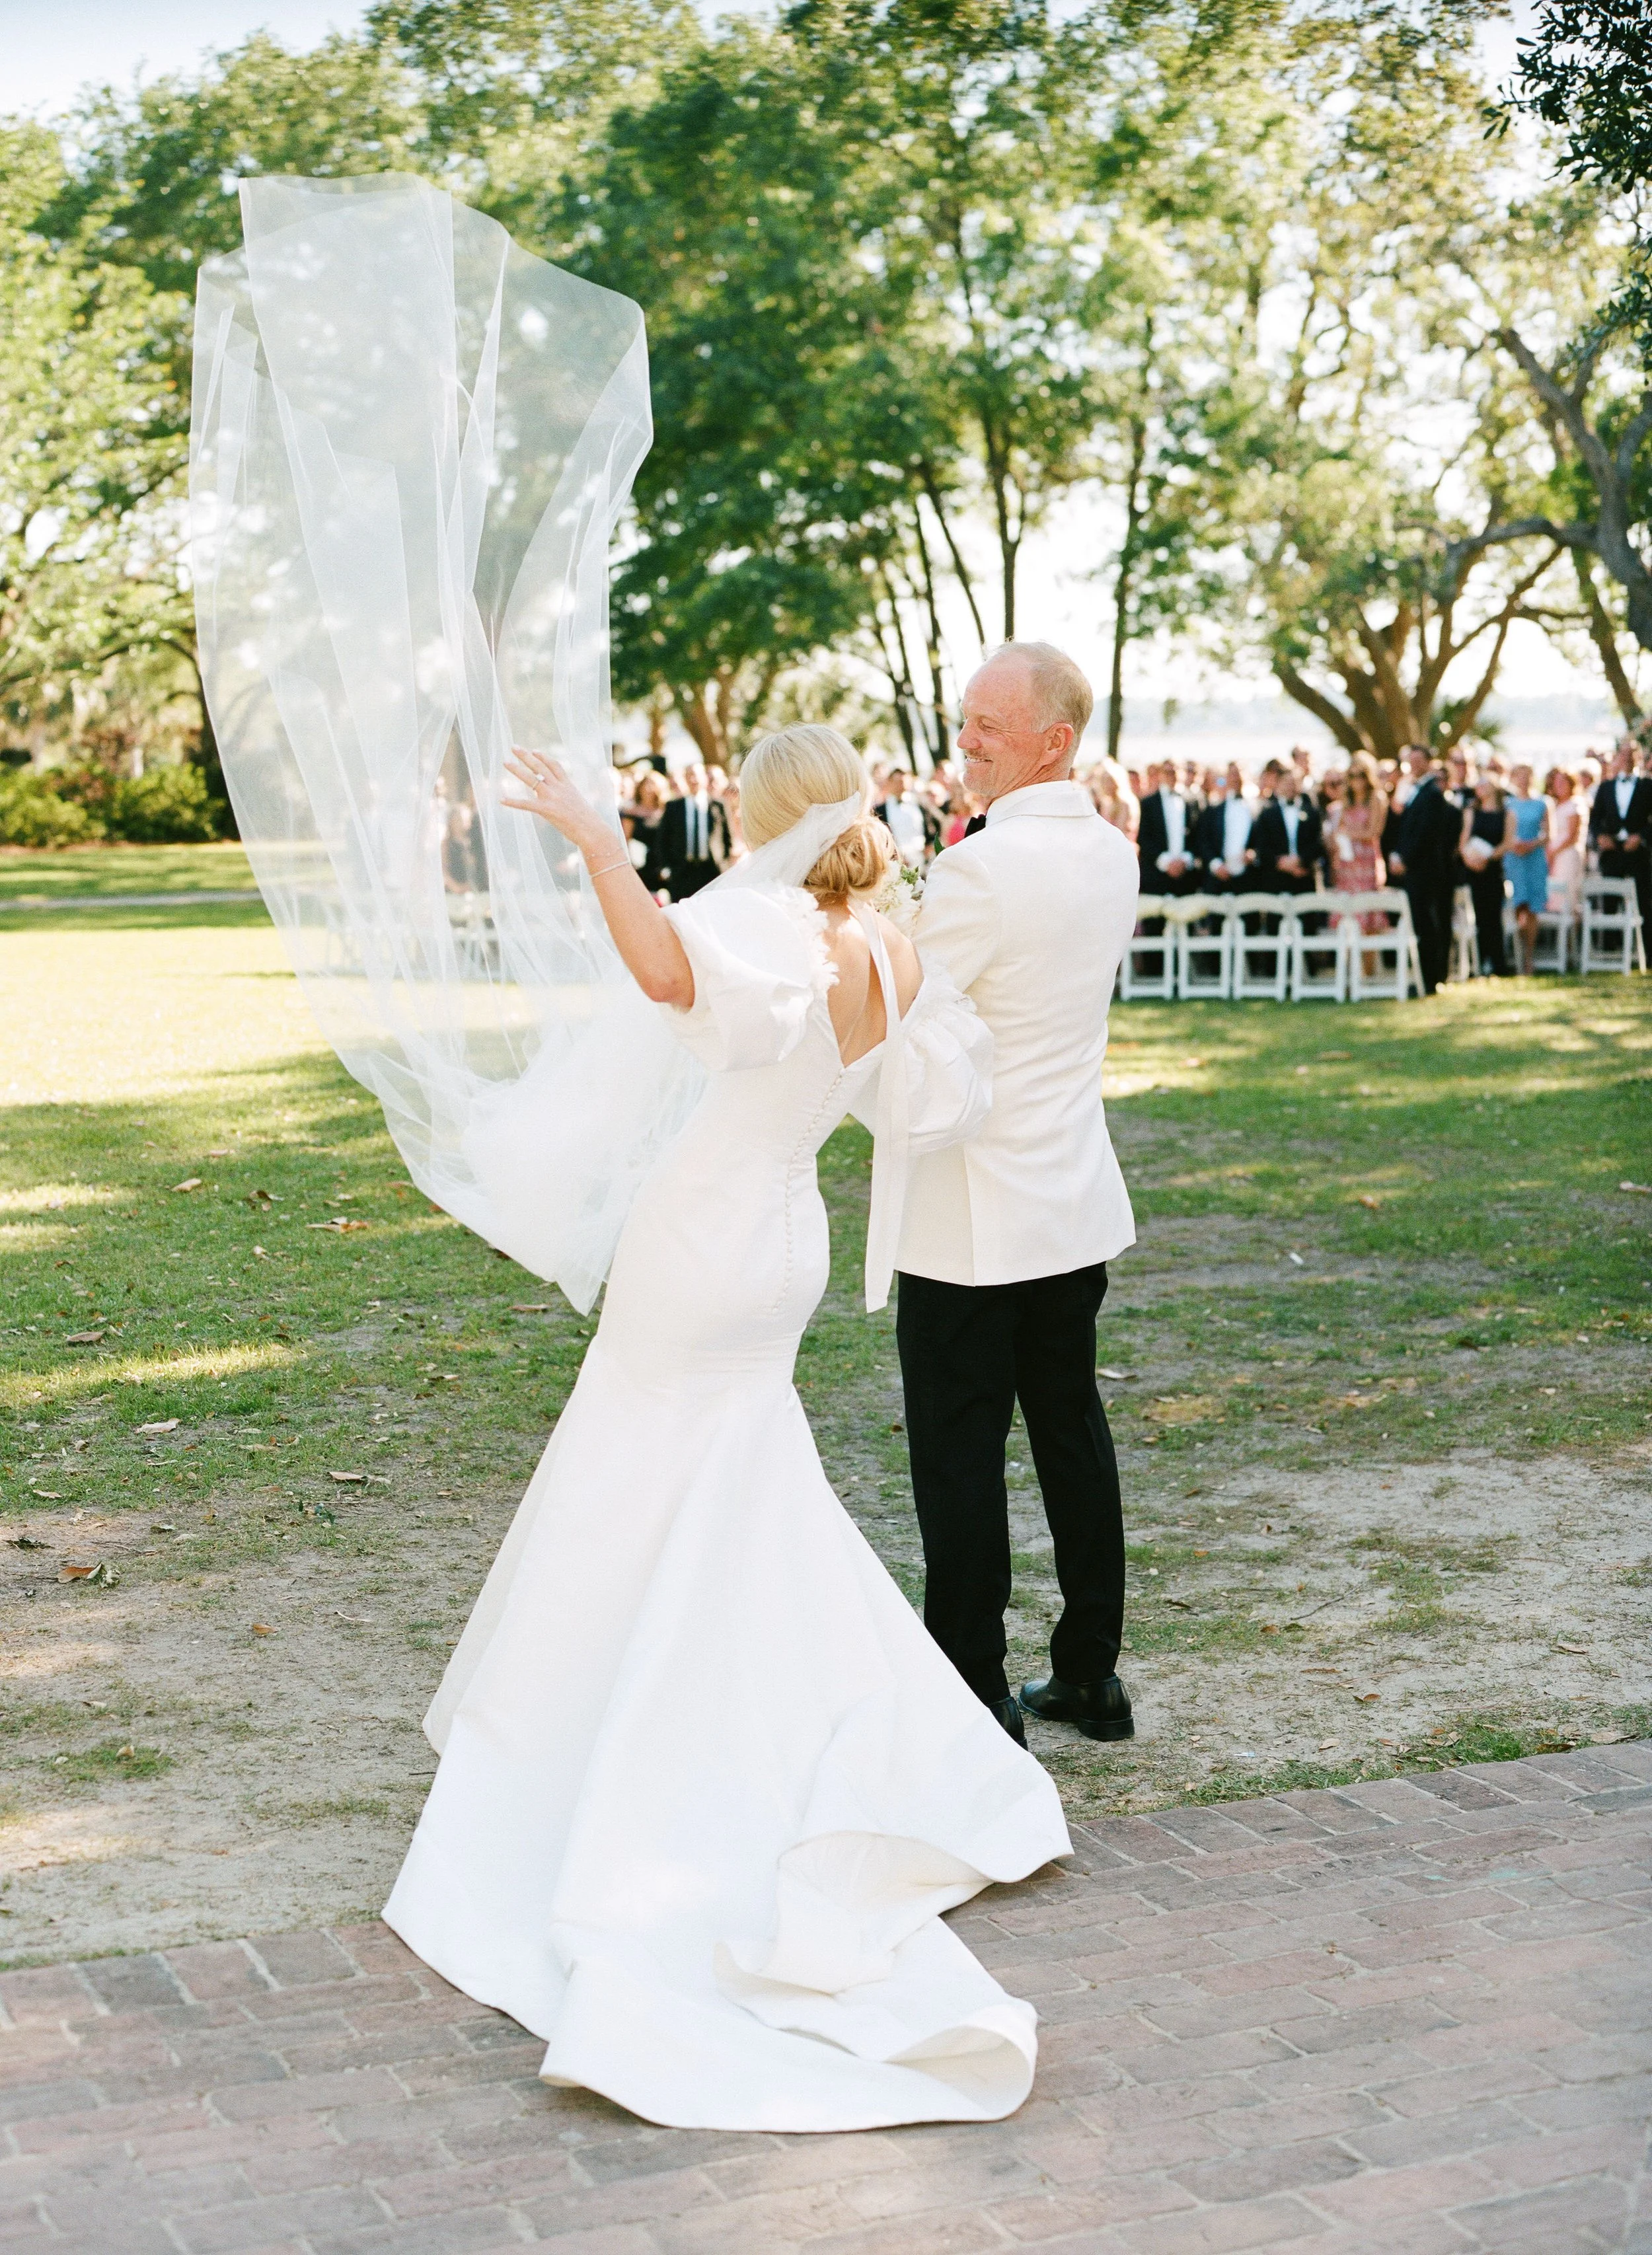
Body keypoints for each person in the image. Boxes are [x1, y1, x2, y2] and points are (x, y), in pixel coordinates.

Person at [388, 724, 1070, 2127]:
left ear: (756, 816)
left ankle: (599, 1747)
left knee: (633, 1467)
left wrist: (592, 836)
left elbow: (662, 969)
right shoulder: (880, 942)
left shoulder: (756, 925)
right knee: (741, 1483)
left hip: (702, 1232)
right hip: (783, 1236)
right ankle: (797, 1715)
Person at [895, 642, 1139, 1750]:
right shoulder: (1114, 853)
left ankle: (975, 1689)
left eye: (988, 723)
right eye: (963, 719)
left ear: (1054, 739)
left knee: (960, 1454)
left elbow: (907, 1021)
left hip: (970, 1214)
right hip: (1070, 1197)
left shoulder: (979, 869)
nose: (967, 739)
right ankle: (1090, 1672)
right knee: (1070, 1430)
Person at [1389, 745, 1460, 992]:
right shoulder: (1414, 791)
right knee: (1421, 923)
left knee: (1430, 923)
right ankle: (1425, 976)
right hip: (1417, 869)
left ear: (1429, 762)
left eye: (1419, 760)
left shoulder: (1432, 793)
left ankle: (1432, 977)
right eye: (1412, 760)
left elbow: (1425, 834)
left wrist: (1405, 858)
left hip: (1428, 871)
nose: (1415, 765)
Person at [1588, 738, 1652, 964]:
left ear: (1639, 757)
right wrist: (1601, 837)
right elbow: (1595, 819)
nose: (1627, 757)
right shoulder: (1606, 787)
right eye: (1623, 753)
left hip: (1638, 853)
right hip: (1613, 851)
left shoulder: (1648, 786)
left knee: (1644, 901)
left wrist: (1641, 836)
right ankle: (1609, 952)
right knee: (1609, 900)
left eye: (1631, 753)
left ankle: (1647, 954)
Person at [1325, 750, 1388, 933]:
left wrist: (1351, 834)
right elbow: (1340, 827)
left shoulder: (1376, 798)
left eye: (1361, 775)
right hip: (1347, 862)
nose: (1356, 780)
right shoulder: (1346, 800)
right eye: (1352, 776)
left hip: (1367, 863)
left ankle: (1367, 962)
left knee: (1368, 918)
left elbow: (1375, 832)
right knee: (1347, 917)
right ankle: (1348, 961)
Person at [653, 761, 729, 899]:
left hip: (712, 871)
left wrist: (724, 863)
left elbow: (727, 838)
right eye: (689, 776)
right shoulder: (674, 807)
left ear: (705, 778)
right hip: (682, 872)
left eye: (697, 775)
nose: (694, 780)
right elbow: (662, 840)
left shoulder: (718, 805)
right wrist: (667, 867)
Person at [1461, 774, 1511, 976]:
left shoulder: (1506, 813)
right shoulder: (1472, 812)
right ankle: (1478, 963)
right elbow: (1463, 841)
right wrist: (1470, 860)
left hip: (1493, 869)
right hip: (1473, 870)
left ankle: (1498, 964)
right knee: (1478, 916)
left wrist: (1488, 858)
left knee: (1494, 916)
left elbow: (1507, 843)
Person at [1251, 759, 1324, 893]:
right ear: (1278, 784)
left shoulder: (1312, 812)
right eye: (1286, 783)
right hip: (1276, 881)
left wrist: (1300, 860)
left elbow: (1318, 843)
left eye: (1294, 782)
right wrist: (1282, 864)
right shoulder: (1267, 814)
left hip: (1305, 878)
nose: (1290, 786)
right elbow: (1262, 846)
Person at [1505, 764, 1549, 975]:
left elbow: (1548, 834)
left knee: (1532, 908)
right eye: (1519, 775)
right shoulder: (1507, 804)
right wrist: (1514, 843)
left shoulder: (1542, 803)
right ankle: (1515, 954)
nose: (1523, 780)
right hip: (1513, 859)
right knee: (1516, 904)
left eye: (1527, 775)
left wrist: (1531, 844)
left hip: (1534, 860)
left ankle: (1528, 957)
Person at [1135, 759, 1197, 896]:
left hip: (1185, 877)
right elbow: (1143, 838)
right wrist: (1166, 862)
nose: (1172, 776)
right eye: (1167, 772)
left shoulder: (1192, 801)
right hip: (1156, 877)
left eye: (1175, 772)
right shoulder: (1149, 803)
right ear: (1161, 775)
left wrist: (1185, 860)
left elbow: (1197, 836)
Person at [1192, 766, 1255, 891]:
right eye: (1232, 775)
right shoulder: (1212, 810)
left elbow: (1260, 840)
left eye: (1239, 775)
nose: (1236, 778)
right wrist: (1216, 865)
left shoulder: (1254, 808)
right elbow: (1202, 841)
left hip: (1247, 880)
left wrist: (1253, 853)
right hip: (1217, 879)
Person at [1545, 766, 1585, 919]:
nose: (1560, 785)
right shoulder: (1554, 805)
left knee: (1569, 895)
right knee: (1554, 896)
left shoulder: (1575, 804)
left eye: (1564, 782)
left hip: (1567, 856)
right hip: (1554, 855)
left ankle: (1571, 940)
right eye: (1557, 782)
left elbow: (1572, 836)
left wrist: (1553, 852)